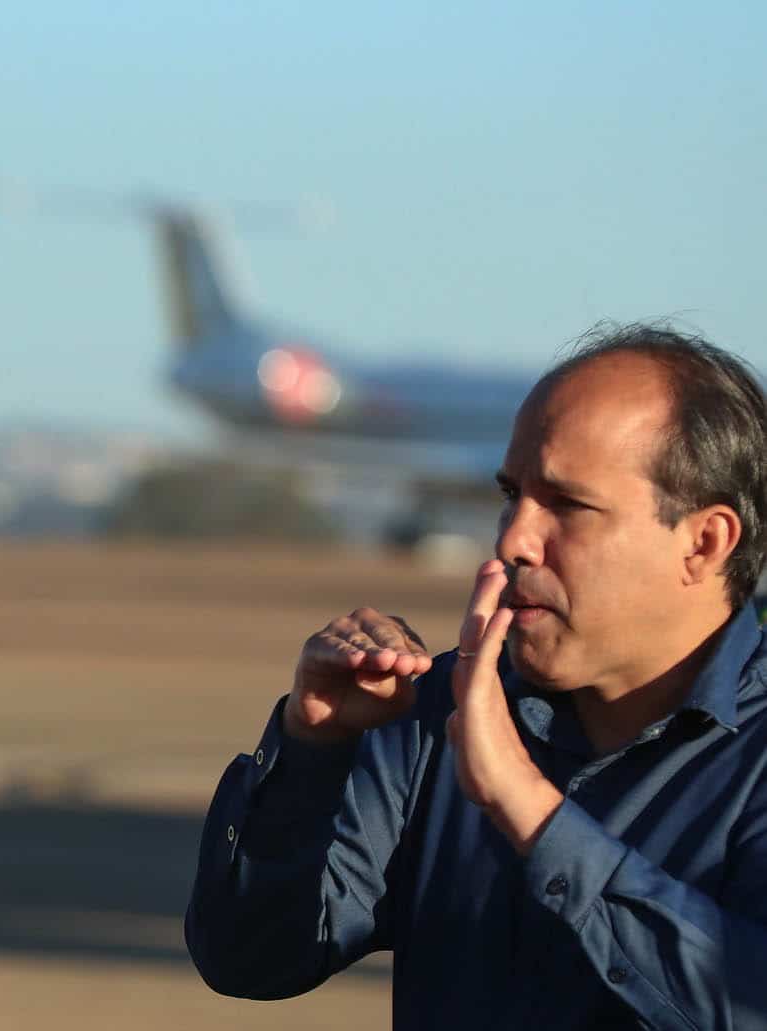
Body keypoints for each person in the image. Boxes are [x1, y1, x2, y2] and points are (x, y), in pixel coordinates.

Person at [184, 325, 767, 1029]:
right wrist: (313, 751)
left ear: (704, 543)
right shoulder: (439, 713)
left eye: (567, 505)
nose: (514, 537)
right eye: (511, 493)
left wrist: (531, 812)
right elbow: (250, 958)